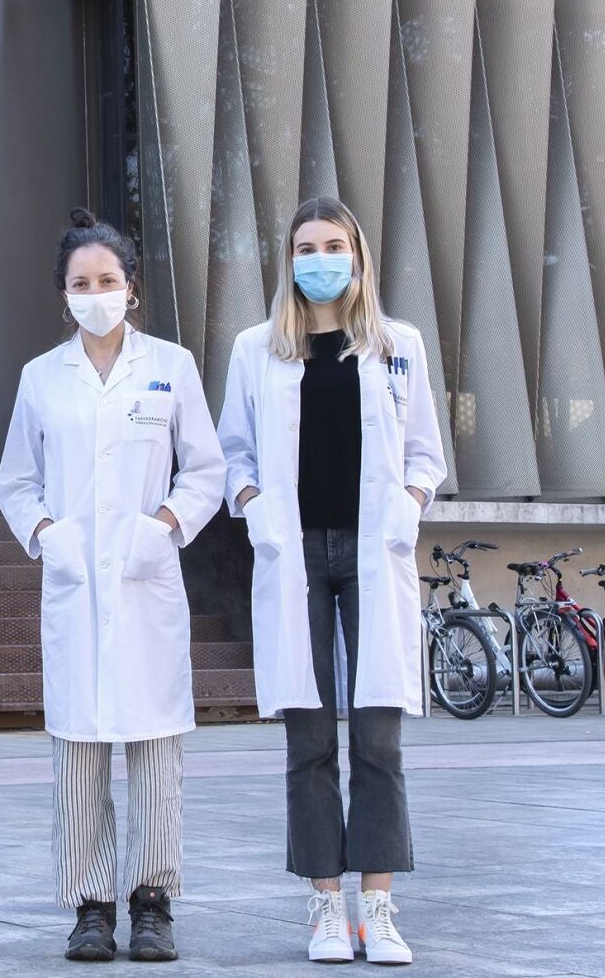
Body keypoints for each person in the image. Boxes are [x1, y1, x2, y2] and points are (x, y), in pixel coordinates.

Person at [215, 196, 446, 966]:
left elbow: (425, 452)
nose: (321, 259)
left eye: (334, 245)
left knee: (378, 736)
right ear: (289, 260)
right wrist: (254, 505)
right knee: (309, 737)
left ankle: (377, 907)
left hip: (375, 548)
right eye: (306, 247)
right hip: (297, 553)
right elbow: (234, 452)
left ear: (358, 255)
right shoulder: (256, 349)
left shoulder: (398, 345)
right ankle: (325, 906)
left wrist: (410, 503)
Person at [0, 209, 228, 963]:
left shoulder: (171, 366)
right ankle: (91, 905)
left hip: (146, 580)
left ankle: (152, 901)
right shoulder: (41, 377)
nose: (94, 294)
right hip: (73, 583)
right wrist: (48, 535)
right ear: (63, 293)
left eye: (107, 280)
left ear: (131, 287)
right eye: (80, 283)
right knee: (79, 749)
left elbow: (206, 471)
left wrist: (162, 526)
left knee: (156, 745)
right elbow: (16, 481)